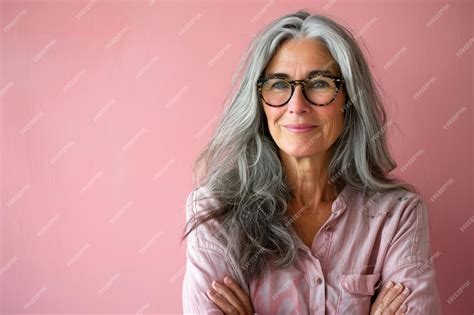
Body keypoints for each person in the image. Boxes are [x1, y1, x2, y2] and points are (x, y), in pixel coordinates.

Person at [181, 10, 442, 314]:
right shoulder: (215, 214)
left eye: (319, 83)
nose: (297, 105)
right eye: (279, 84)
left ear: (349, 98)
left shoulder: (398, 215)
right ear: (258, 100)